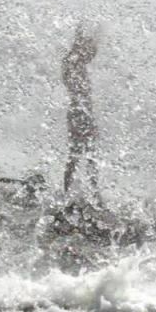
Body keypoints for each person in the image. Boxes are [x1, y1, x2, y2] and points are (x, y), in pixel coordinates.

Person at [62, 23, 102, 203]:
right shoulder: (73, 65)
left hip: (80, 113)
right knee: (82, 154)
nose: (91, 55)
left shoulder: (74, 65)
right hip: (79, 113)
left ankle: (88, 190)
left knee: (82, 154)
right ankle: (89, 191)